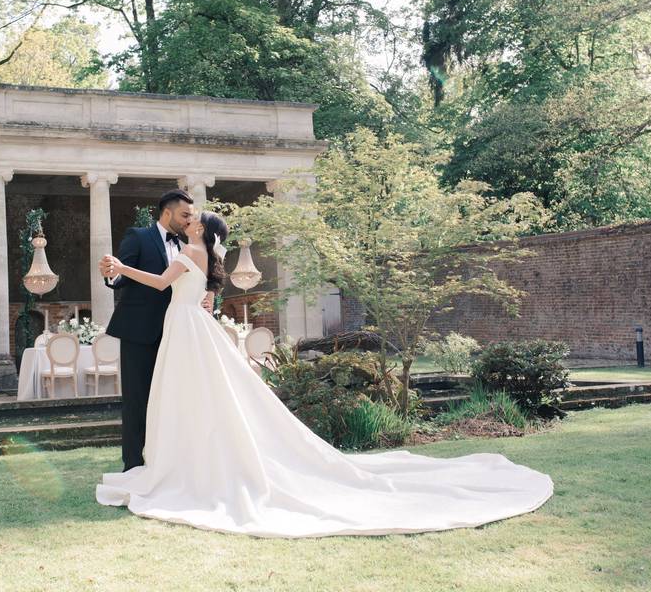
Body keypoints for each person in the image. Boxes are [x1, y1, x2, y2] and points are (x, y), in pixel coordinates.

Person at [95, 211, 553, 538]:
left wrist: (120, 267)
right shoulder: (198, 251)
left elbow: (158, 282)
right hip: (188, 325)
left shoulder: (190, 250)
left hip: (185, 327)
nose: (192, 217)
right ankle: (184, 460)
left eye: (197, 217)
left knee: (186, 396)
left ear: (202, 230)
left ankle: (187, 465)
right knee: (190, 397)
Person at [100, 190, 215, 471]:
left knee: (173, 398)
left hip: (178, 333)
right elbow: (119, 275)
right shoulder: (138, 236)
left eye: (191, 216)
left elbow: (211, 271)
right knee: (137, 400)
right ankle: (133, 465)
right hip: (140, 332)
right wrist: (112, 271)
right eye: (184, 215)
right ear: (167, 212)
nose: (188, 219)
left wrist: (210, 293)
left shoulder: (191, 246)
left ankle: (167, 462)